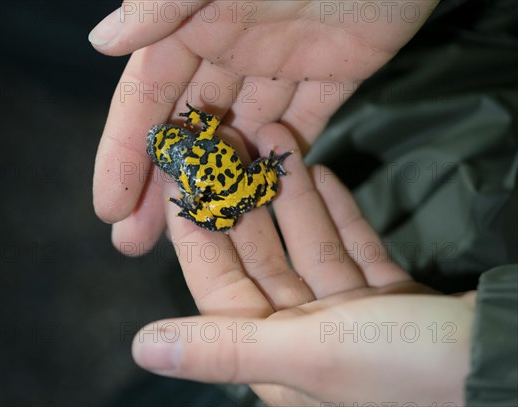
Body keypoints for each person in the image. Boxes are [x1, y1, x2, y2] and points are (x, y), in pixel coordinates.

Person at [88, 1, 518, 406]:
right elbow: (205, 126)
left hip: (236, 186)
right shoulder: (195, 142)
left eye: (162, 145)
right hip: (237, 184)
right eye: (162, 146)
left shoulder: (190, 159)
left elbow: (205, 137)